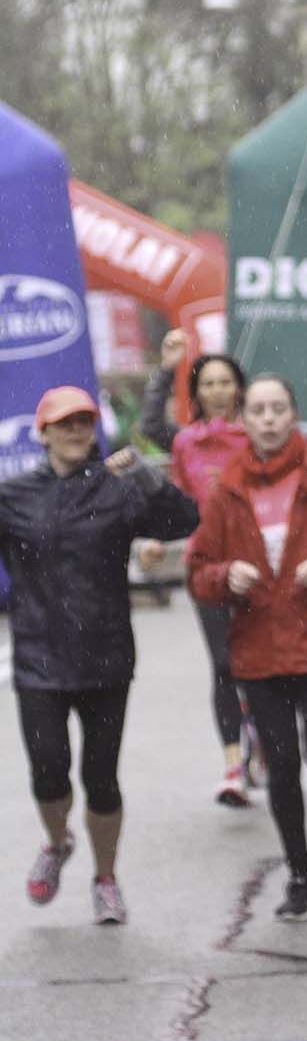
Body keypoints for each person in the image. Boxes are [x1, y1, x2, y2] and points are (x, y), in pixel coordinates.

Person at [186, 374, 307, 921]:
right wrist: (227, 576)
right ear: (244, 420)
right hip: (259, 653)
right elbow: (198, 571)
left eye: (279, 408)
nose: (269, 419)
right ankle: (299, 879)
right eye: (259, 410)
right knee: (282, 771)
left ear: (294, 415)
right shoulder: (226, 490)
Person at [0, 386, 199, 924]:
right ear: (42, 431)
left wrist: (145, 476)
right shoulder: (13, 494)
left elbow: (184, 522)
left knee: (101, 778)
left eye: (84, 421)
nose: (75, 431)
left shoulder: (117, 488)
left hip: (106, 656)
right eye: (64, 423)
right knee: (48, 772)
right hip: (38, 658)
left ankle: (105, 878)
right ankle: (57, 841)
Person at [139, 329, 307, 806]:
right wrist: (166, 369)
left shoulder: (262, 438)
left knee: (259, 664)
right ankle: (232, 766)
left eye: (225, 382)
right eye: (207, 383)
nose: (217, 391)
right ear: (196, 393)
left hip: (265, 570)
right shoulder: (186, 444)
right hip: (212, 569)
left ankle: (264, 735)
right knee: (222, 665)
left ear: (240, 389)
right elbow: (175, 494)